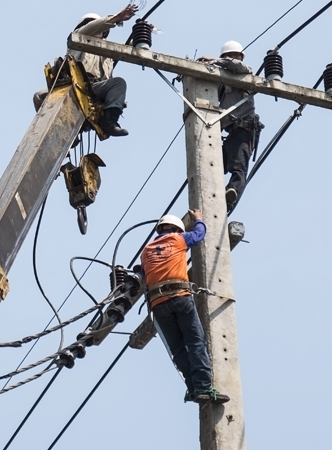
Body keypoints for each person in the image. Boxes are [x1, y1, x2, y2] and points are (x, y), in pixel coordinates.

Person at [140, 210, 230, 404]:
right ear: (175, 229)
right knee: (196, 342)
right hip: (179, 297)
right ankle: (204, 387)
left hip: (158, 305)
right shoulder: (178, 239)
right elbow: (199, 234)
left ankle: (193, 388)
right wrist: (199, 219)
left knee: (179, 350)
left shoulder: (146, 251)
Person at [33, 4, 139, 137]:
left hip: (96, 90)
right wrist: (117, 17)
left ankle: (109, 122)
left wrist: (142, 32)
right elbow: (95, 26)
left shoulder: (108, 50)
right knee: (40, 95)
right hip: (76, 85)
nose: (96, 29)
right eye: (92, 25)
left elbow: (129, 49)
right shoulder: (78, 38)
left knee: (118, 83)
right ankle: (55, 129)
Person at [197, 41, 264, 212]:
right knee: (211, 164)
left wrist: (214, 60)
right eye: (229, 55)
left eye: (236, 55)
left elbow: (237, 66)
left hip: (245, 131)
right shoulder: (221, 81)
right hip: (230, 133)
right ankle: (214, 198)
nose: (233, 58)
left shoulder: (245, 72)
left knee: (238, 168)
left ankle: (231, 194)